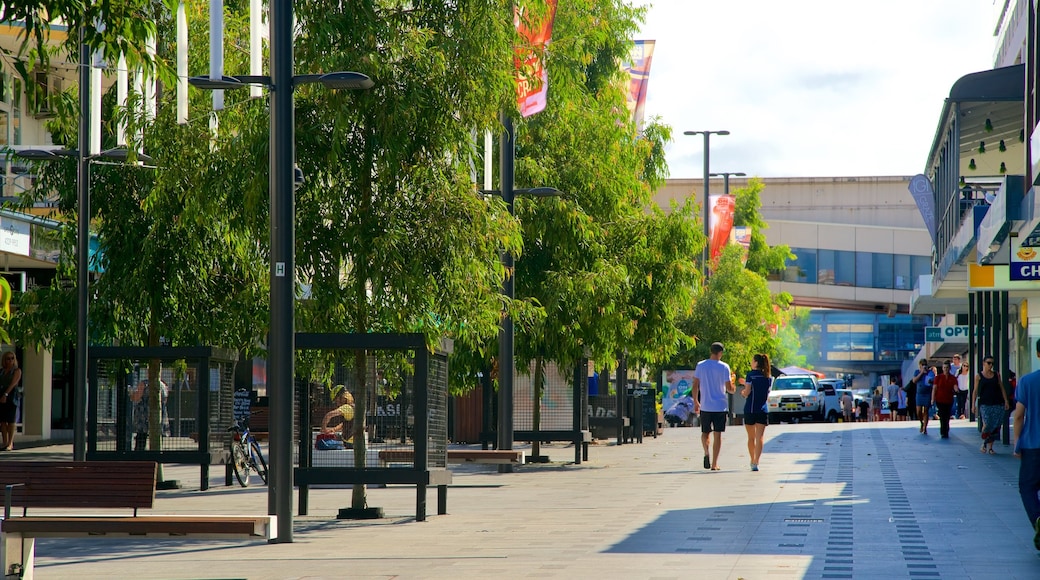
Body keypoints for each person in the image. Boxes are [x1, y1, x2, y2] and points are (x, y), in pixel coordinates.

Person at [1012, 338, 1040, 551]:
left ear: (1037, 354)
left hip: (1032, 444)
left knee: (1027, 487)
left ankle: (1038, 521)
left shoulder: (1027, 381)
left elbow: (1019, 415)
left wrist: (1017, 443)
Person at [691, 342, 735, 471]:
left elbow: (695, 385)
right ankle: (715, 463)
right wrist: (733, 381)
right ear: (720, 353)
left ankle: (706, 452)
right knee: (718, 434)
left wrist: (695, 401)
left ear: (711, 351)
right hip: (720, 406)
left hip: (705, 406)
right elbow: (730, 389)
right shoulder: (724, 367)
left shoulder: (701, 365)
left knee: (705, 433)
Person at [740, 353, 771, 472]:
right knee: (760, 437)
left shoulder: (750, 375)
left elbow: (747, 392)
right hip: (762, 409)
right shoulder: (768, 377)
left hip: (750, 409)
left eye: (752, 361)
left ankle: (752, 459)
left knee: (751, 437)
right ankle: (756, 461)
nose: (751, 362)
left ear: (756, 363)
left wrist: (743, 392)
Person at [975, 355, 1010, 454]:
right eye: (988, 363)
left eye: (992, 363)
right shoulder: (979, 376)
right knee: (987, 423)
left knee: (996, 425)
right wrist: (973, 405)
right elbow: (975, 390)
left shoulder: (996, 375)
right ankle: (984, 443)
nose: (990, 365)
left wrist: (1006, 400)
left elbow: (1001, 387)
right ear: (983, 363)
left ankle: (990, 447)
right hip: (985, 403)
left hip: (997, 402)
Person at [0, 352, 22, 451]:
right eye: (8, 359)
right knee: (2, 421)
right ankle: (4, 442)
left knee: (11, 420)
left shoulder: (17, 371)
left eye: (12, 358)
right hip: (1, 394)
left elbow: (13, 384)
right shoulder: (1, 371)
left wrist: (6, 394)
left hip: (11, 396)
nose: (10, 360)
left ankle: (10, 443)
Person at [932, 361, 958, 439]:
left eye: (947, 368)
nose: (945, 369)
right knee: (942, 415)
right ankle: (943, 431)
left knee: (947, 415)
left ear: (949, 368)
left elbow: (955, 386)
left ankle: (946, 429)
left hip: (949, 400)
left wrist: (957, 390)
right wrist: (932, 399)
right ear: (942, 368)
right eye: (944, 368)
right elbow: (934, 388)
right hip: (940, 399)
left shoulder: (953, 378)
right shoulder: (938, 377)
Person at [913, 359, 935, 435]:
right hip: (919, 394)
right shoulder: (917, 372)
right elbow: (914, 381)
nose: (923, 366)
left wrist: (930, 380)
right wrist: (921, 373)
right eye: (922, 365)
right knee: (918, 411)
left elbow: (933, 381)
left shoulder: (930, 372)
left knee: (926, 410)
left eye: (925, 365)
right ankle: (921, 422)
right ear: (919, 365)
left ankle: (925, 427)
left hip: (927, 394)